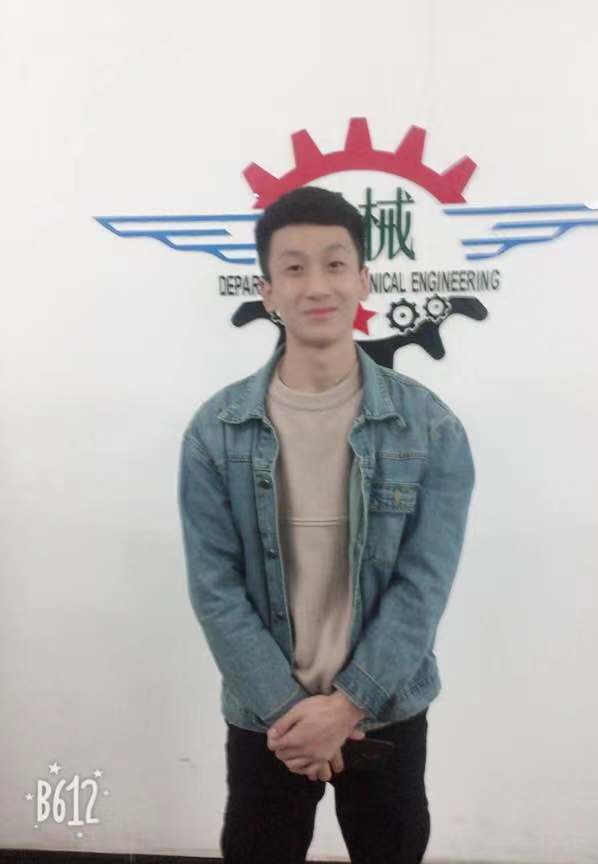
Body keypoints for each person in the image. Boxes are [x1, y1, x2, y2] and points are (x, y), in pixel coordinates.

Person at [177, 185, 476, 863]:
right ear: (266, 291)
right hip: (267, 720)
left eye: (336, 264)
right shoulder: (214, 432)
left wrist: (346, 707)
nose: (317, 284)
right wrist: (291, 714)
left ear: (364, 280)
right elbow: (214, 588)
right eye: (294, 267)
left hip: (387, 712)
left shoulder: (431, 428)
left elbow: (424, 586)